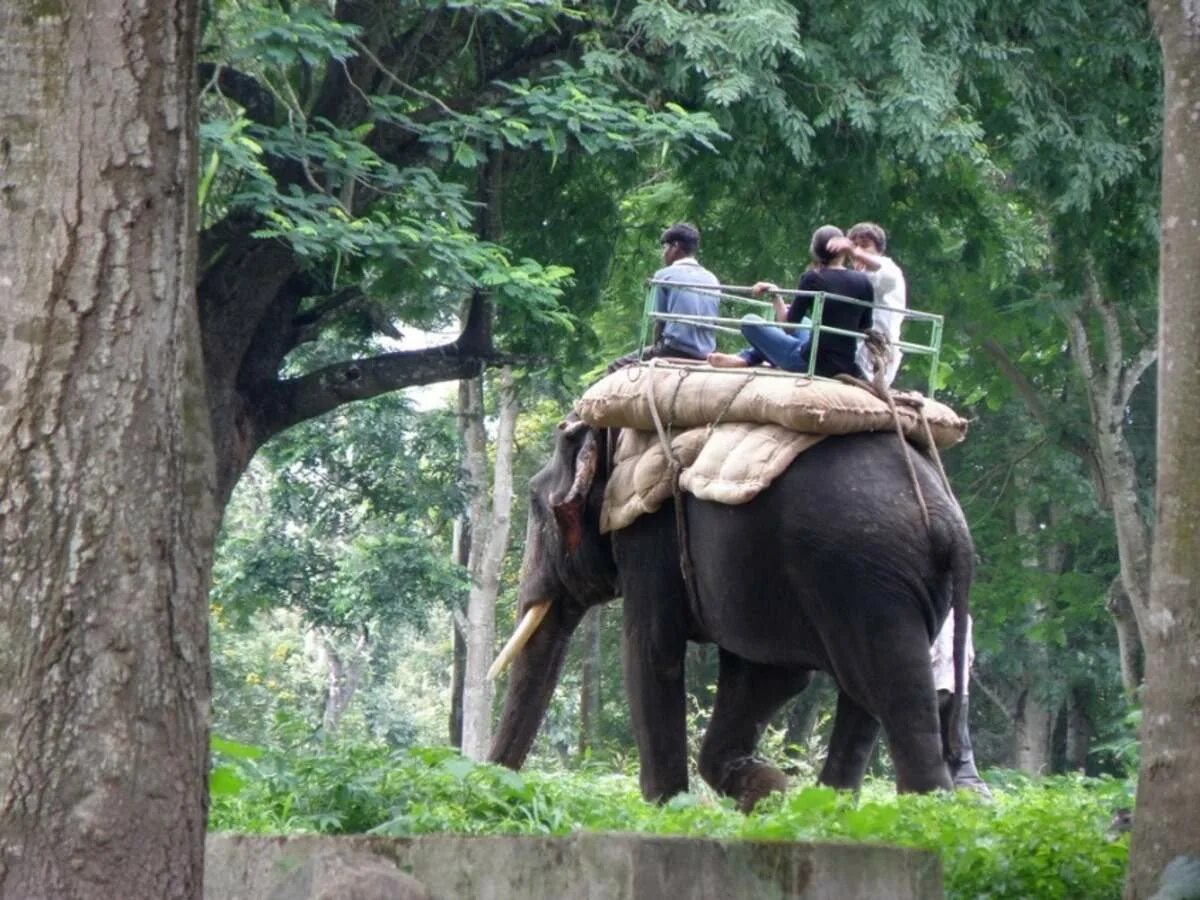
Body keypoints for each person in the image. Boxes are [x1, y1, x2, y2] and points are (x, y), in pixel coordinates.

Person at [707, 225, 873, 377]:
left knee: (749, 321)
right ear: (842, 251)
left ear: (815, 251)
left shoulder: (813, 278)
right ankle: (748, 357)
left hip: (809, 363)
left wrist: (775, 295)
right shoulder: (864, 281)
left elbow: (788, 326)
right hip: (845, 364)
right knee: (808, 322)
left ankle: (748, 358)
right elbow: (864, 327)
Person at [608, 222, 720, 372]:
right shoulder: (712, 278)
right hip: (705, 352)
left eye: (664, 248)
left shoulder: (664, 275)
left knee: (615, 367)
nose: (663, 254)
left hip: (675, 348)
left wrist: (656, 350)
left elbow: (659, 322)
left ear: (675, 246)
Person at [828, 222, 907, 385]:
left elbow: (884, 276)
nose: (859, 251)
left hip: (875, 357)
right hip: (853, 349)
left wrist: (854, 251)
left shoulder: (888, 268)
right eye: (855, 246)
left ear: (878, 250)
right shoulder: (856, 276)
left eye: (865, 246)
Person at [931, 613, 992, 798]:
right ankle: (978, 798)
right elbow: (970, 657)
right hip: (959, 691)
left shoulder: (932, 614)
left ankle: (936, 795)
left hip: (934, 687)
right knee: (960, 750)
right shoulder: (965, 617)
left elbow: (932, 654)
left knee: (930, 746)